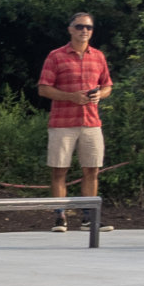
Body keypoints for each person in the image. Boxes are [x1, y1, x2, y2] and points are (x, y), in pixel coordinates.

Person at [39, 12, 112, 228]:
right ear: (70, 29)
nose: (84, 31)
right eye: (80, 27)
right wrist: (71, 97)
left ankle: (89, 217)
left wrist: (101, 94)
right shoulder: (56, 56)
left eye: (89, 28)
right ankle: (60, 216)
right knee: (59, 170)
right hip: (63, 123)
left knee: (92, 169)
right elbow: (43, 89)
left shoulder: (98, 56)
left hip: (91, 122)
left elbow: (107, 85)